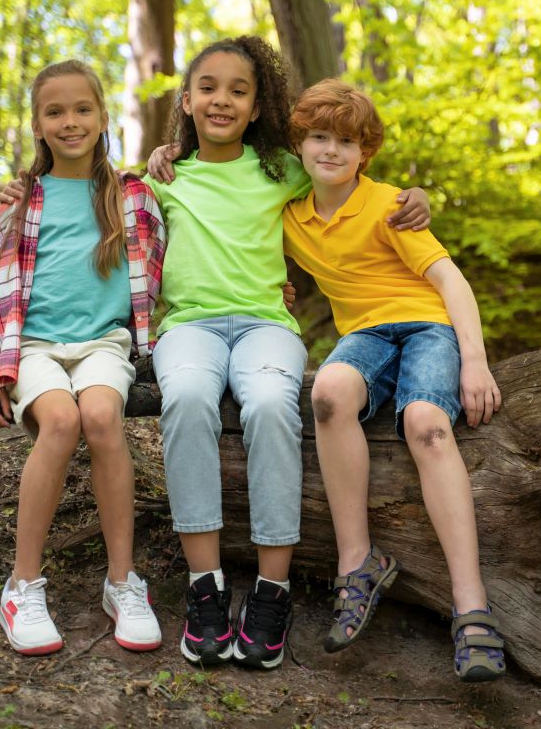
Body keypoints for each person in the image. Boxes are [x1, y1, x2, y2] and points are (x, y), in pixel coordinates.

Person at [138, 37, 430, 669]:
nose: (222, 100)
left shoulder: (282, 169)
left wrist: (418, 197)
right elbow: (97, 210)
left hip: (268, 324)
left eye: (238, 91)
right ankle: (204, 587)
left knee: (273, 402)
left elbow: (349, 174)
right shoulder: (162, 178)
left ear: (256, 105)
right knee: (187, 398)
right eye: (208, 88)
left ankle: (273, 590)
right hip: (189, 326)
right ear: (186, 101)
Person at [282, 79, 506, 682]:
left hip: (427, 325)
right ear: (299, 146)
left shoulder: (389, 205)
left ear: (365, 154)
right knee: (327, 394)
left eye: (346, 142)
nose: (331, 151)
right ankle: (358, 563)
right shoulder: (291, 214)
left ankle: (471, 607)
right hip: (366, 335)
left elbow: (451, 282)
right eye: (319, 138)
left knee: (425, 422)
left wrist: (475, 359)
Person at [0, 59, 166, 656]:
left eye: (83, 109)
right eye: (55, 111)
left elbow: (173, 271)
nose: (70, 121)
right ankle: (23, 586)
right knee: (62, 420)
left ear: (103, 117)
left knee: (101, 417)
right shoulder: (22, 202)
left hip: (105, 343)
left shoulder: (133, 195)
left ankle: (123, 583)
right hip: (33, 347)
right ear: (38, 124)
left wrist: (271, 292)